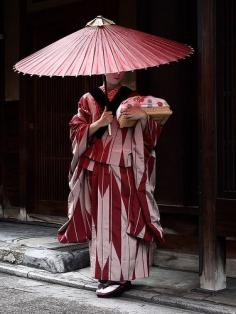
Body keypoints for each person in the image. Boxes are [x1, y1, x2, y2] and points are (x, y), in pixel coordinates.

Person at [57, 72, 164, 298]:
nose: (117, 72)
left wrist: (143, 116)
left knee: (124, 221)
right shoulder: (88, 99)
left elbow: (151, 135)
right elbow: (75, 130)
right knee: (101, 222)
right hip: (97, 167)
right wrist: (98, 123)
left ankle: (120, 276)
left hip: (125, 167)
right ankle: (106, 274)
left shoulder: (134, 98)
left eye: (121, 68)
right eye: (112, 67)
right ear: (103, 69)